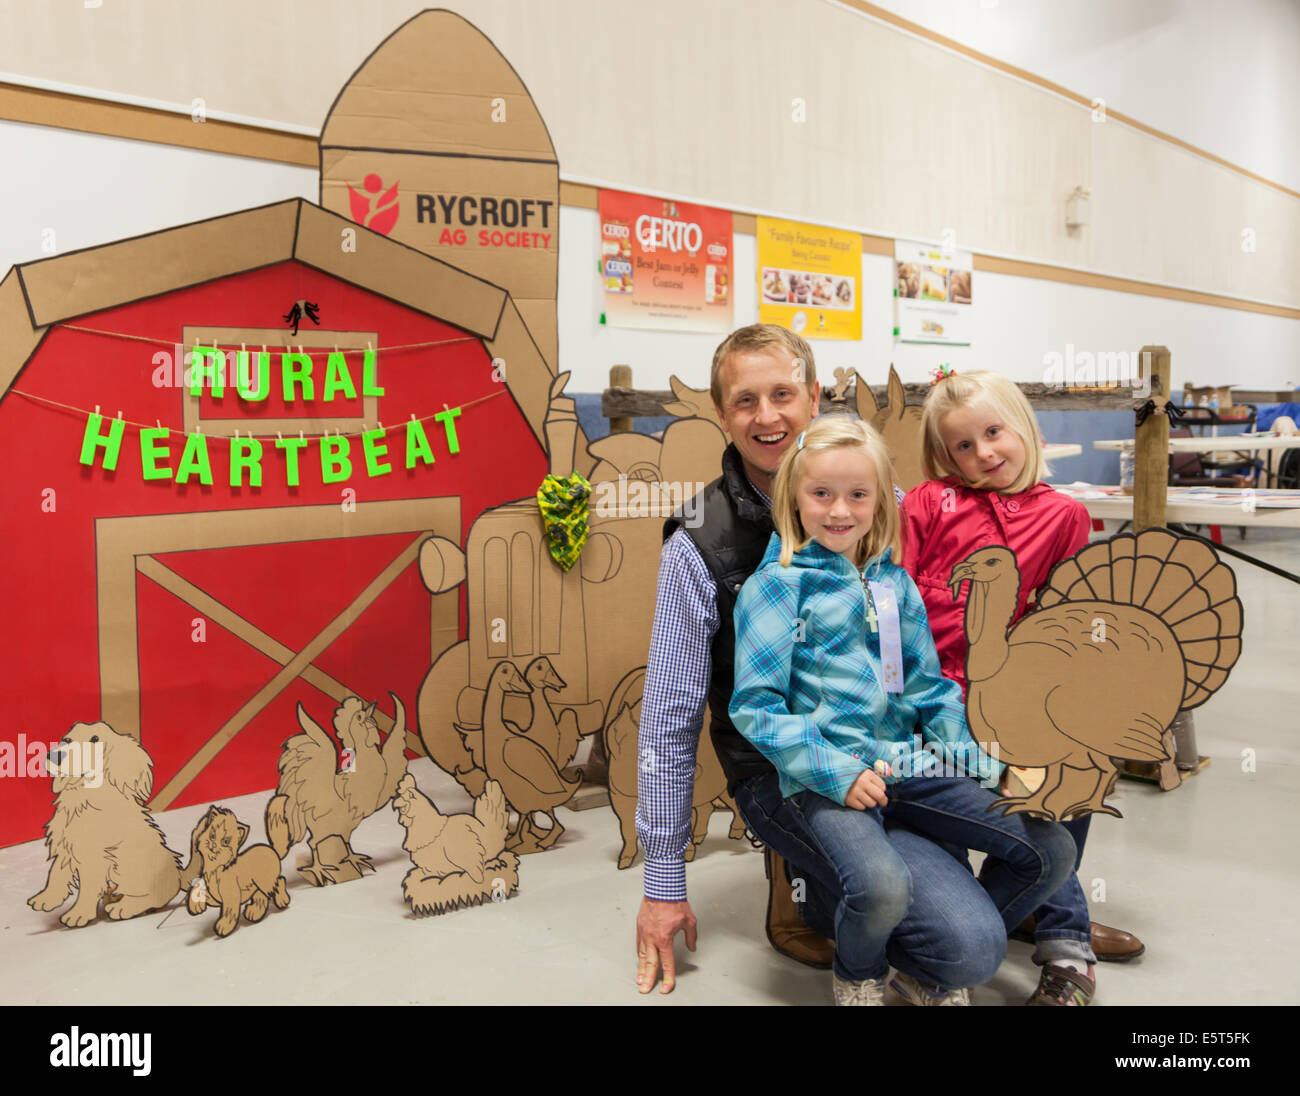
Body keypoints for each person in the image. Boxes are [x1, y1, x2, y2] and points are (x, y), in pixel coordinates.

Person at [635, 324, 1012, 1004]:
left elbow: (915, 646)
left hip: (892, 752)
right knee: (914, 913)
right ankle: (813, 880)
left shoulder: (877, 508)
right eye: (745, 400)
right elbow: (668, 717)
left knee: (974, 944)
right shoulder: (698, 543)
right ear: (721, 414)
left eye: (783, 393)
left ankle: (872, 884)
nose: (767, 416)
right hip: (779, 771)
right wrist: (664, 884)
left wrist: (961, 747)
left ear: (814, 397)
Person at [728, 416, 1076, 1004]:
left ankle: (936, 952)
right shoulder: (777, 586)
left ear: (879, 502)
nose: (840, 510)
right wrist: (838, 773)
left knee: (1051, 848)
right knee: (880, 885)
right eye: (822, 494)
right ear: (794, 497)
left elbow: (928, 692)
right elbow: (757, 707)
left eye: (857, 495)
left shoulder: (893, 588)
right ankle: (859, 973)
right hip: (823, 780)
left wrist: (993, 767)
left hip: (906, 768)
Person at [901, 368, 1147, 1006]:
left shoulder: (1067, 515)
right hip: (934, 696)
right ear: (943, 455)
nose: (984, 453)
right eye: (963, 446)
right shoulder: (930, 503)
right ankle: (985, 924)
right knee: (947, 800)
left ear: (1022, 426)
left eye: (992, 432)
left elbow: (1069, 617)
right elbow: (896, 601)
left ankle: (1065, 941)